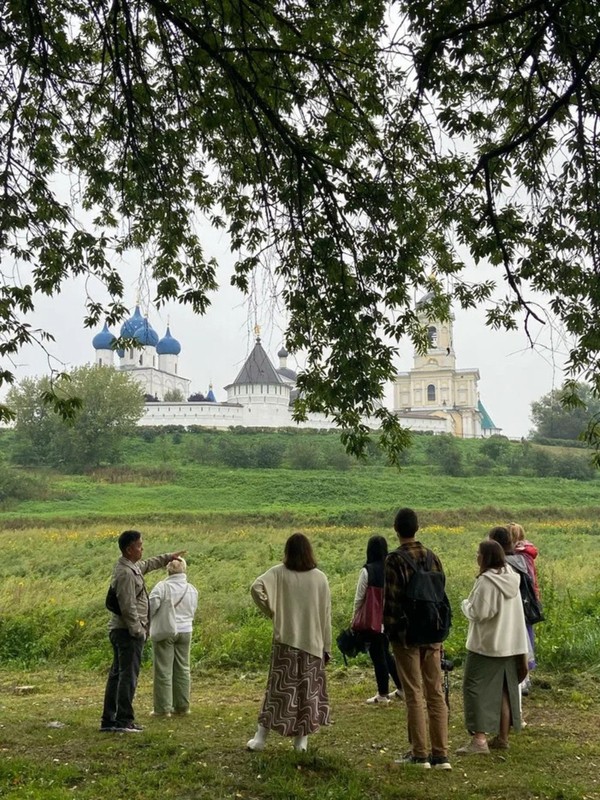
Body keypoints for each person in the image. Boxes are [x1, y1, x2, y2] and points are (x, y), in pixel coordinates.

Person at [247, 532, 331, 753]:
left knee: (276, 692)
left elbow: (256, 588)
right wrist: (327, 646)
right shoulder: (320, 578)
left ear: (288, 551)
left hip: (285, 641)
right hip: (312, 643)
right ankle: (301, 741)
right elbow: (326, 616)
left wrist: (273, 613)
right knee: (307, 693)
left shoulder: (278, 573)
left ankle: (260, 738)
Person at [383, 508, 451, 770]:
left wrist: (391, 634)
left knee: (414, 692)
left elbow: (391, 603)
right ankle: (441, 755)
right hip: (433, 633)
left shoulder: (394, 560)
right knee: (435, 693)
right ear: (417, 528)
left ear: (396, 529)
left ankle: (419, 754)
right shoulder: (433, 557)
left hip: (407, 636)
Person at [100, 530, 185, 733]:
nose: (142, 548)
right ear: (129, 549)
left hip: (122, 631)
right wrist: (138, 630)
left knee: (117, 675)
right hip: (127, 633)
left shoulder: (130, 567)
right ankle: (123, 721)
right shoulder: (126, 573)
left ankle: (110, 720)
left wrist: (168, 557)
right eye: (139, 545)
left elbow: (146, 564)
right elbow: (128, 606)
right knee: (127, 677)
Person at [457, 538, 529, 754]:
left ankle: (479, 740)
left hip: (486, 646)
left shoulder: (487, 582)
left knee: (474, 688)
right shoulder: (512, 577)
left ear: (486, 557)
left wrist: (464, 605)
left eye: (478, 553)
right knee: (505, 691)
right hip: (510, 645)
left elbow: (479, 613)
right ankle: (502, 737)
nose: (476, 556)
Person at [352, 535, 403, 705]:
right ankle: (402, 688)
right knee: (386, 654)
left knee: (378, 656)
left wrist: (355, 619)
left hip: (372, 621)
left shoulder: (367, 570)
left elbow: (359, 598)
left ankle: (382, 694)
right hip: (389, 619)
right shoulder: (392, 568)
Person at [149, 557, 199, 717]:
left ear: (168, 569)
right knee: (183, 668)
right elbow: (193, 609)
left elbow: (151, 607)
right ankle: (182, 706)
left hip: (166, 631)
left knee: (163, 670)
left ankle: (163, 709)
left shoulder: (162, 587)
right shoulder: (192, 589)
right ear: (184, 569)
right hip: (186, 630)